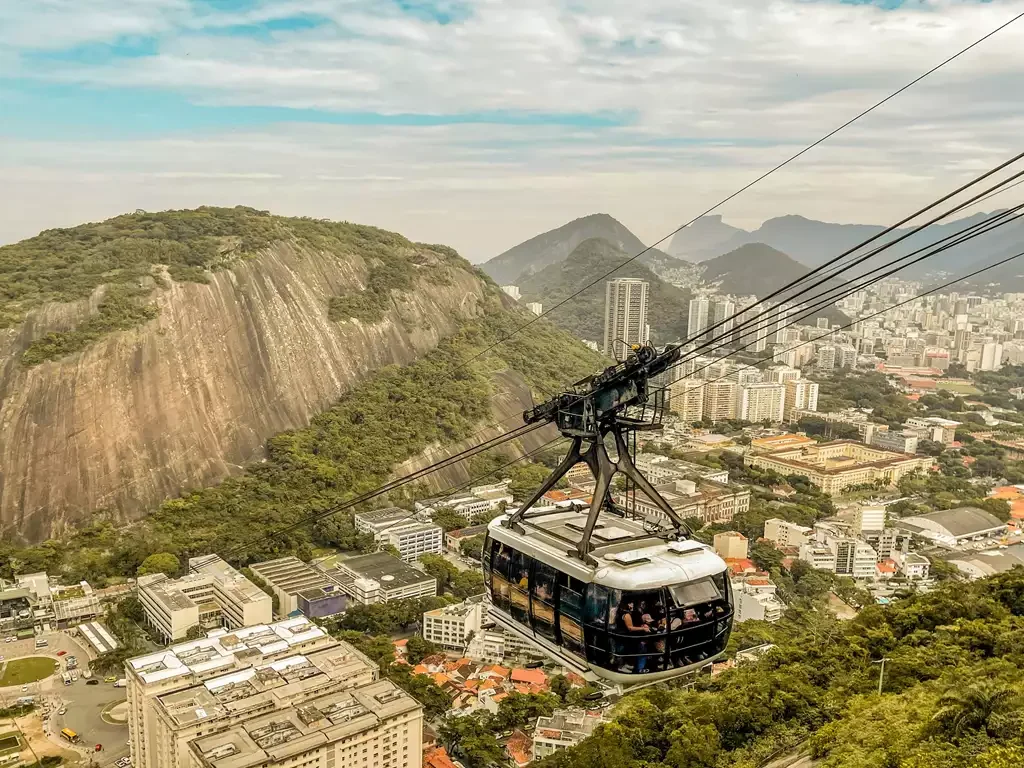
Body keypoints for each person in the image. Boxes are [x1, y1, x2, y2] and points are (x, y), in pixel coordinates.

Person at [616, 595, 650, 672]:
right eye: (631, 603)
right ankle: (629, 667)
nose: (632, 604)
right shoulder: (627, 614)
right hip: (626, 637)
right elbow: (630, 628)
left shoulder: (619, 612)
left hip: (621, 636)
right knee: (634, 650)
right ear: (627, 604)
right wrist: (643, 628)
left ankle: (628, 666)